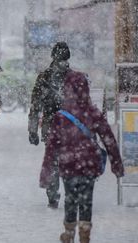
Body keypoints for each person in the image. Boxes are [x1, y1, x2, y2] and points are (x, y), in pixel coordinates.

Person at [39, 71, 124, 243]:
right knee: (86, 199)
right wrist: (116, 164)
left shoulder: (60, 116)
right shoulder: (93, 112)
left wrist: (46, 172)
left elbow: (51, 147)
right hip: (89, 165)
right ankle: (85, 234)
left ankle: (69, 233)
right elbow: (109, 139)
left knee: (70, 198)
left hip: (68, 164)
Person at [28, 41, 72, 208]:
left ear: (53, 56)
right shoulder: (75, 77)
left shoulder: (44, 77)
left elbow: (35, 105)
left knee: (53, 161)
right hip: (71, 126)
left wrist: (33, 130)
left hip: (51, 125)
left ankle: (53, 195)